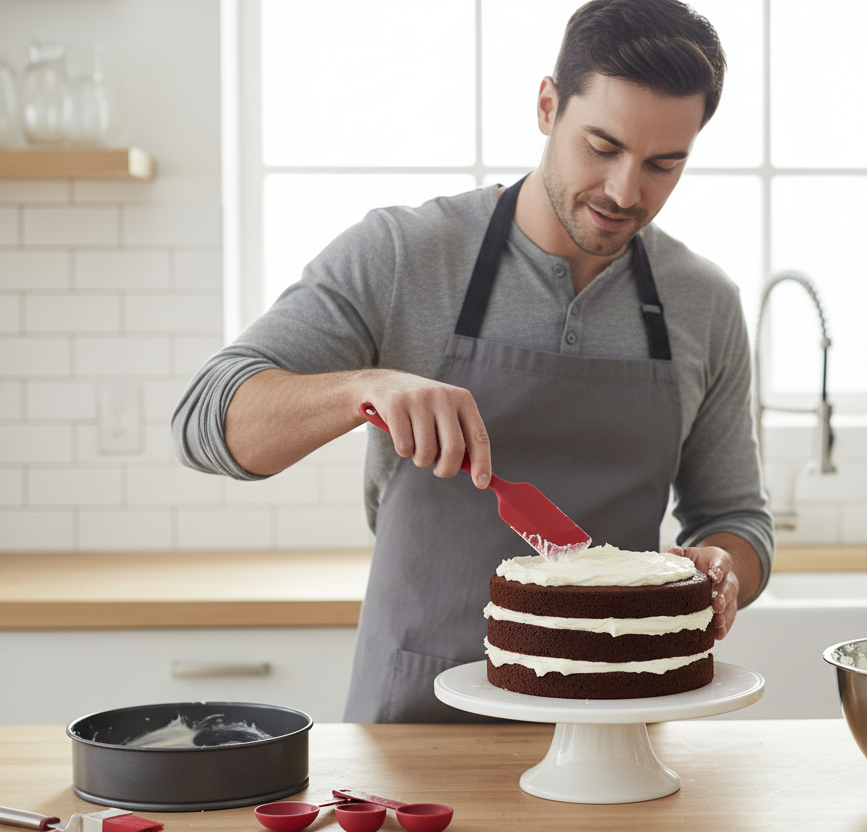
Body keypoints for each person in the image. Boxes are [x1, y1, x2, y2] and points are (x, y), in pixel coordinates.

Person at [172, 0, 773, 723]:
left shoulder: (703, 302)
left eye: (662, 164)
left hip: (612, 728)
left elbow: (736, 518)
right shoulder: (403, 256)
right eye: (602, 146)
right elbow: (207, 422)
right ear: (548, 106)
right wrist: (365, 388)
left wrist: (722, 566)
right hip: (415, 720)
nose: (625, 191)